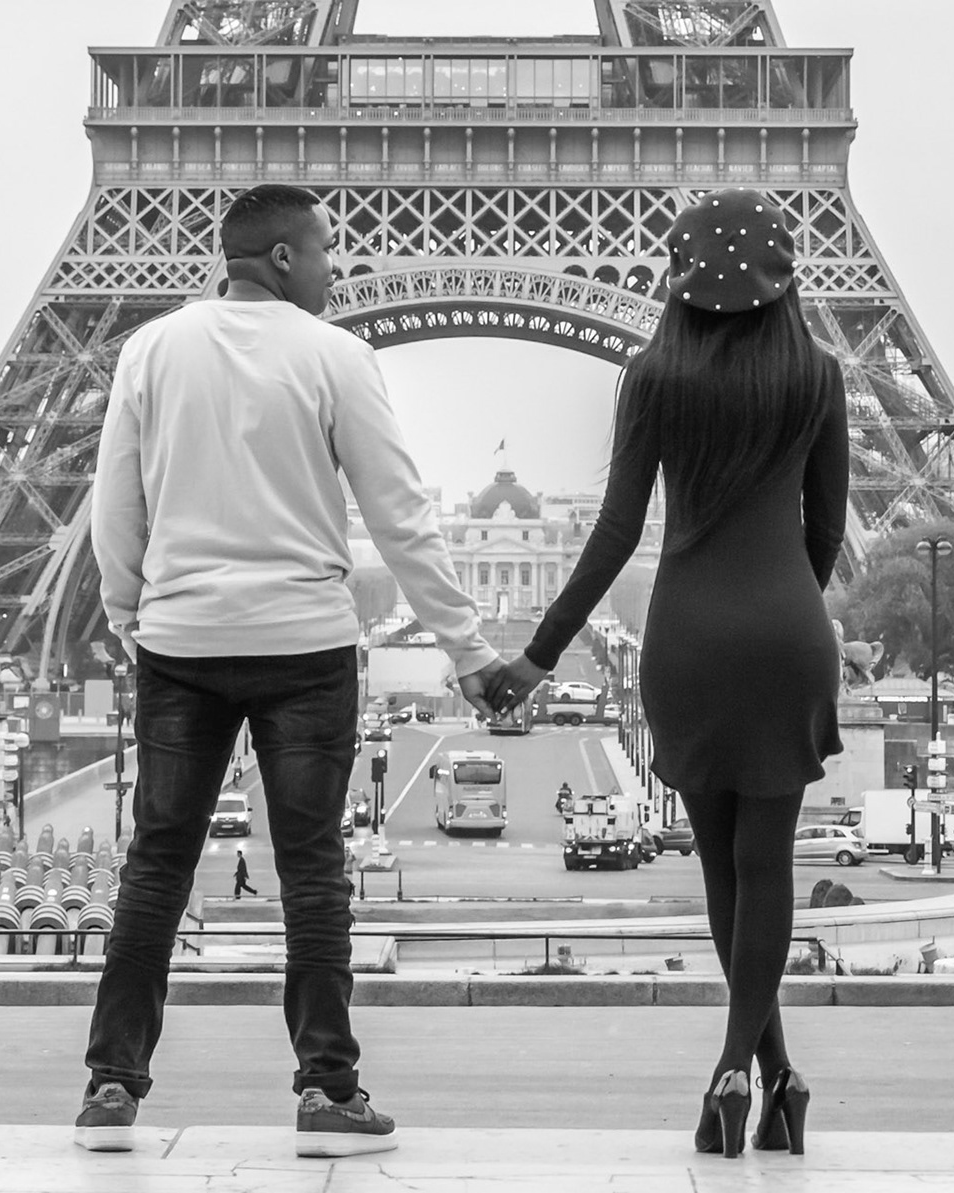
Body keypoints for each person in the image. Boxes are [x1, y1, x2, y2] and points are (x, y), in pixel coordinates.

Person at [74, 183, 507, 1156]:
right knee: (312, 869)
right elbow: (401, 516)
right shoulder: (338, 357)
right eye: (322, 250)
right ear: (278, 257)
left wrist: (133, 617)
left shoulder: (152, 349)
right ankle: (326, 1087)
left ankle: (112, 1083)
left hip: (181, 645)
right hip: (305, 645)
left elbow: (116, 504)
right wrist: (468, 651)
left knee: (157, 865)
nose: (334, 267)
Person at [495, 190, 848, 1160]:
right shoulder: (816, 376)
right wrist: (780, 608)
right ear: (785, 279)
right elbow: (825, 533)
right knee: (767, 861)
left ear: (676, 277)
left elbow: (615, 535)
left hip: (686, 636)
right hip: (786, 631)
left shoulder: (654, 374)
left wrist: (538, 655)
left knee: (718, 864)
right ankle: (762, 1073)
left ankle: (750, 1069)